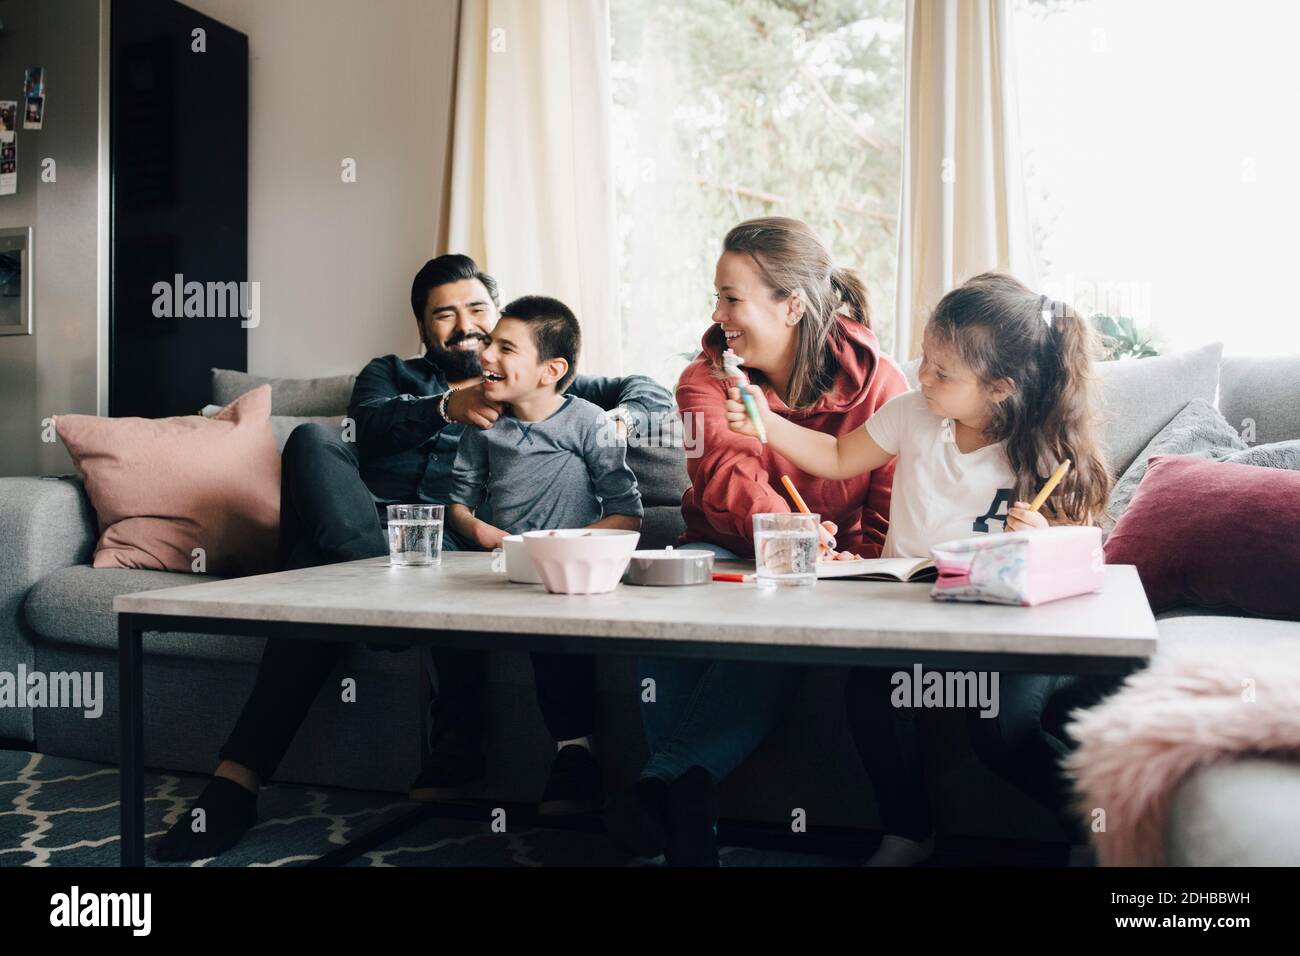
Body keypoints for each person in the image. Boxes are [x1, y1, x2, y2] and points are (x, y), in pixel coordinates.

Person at [154, 255, 672, 861]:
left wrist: (619, 421)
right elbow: (362, 429)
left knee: (317, 586)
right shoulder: (392, 373)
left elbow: (650, 390)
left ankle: (235, 779)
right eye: (443, 314)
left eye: (478, 309)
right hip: (363, 530)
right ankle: (371, 589)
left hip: (452, 546)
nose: (464, 325)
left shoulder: (533, 383)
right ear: (424, 329)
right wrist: (445, 409)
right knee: (311, 443)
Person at [726, 271, 1113, 865]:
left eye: (942, 372)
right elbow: (836, 456)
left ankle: (1100, 829)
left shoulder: (1044, 452)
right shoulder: (912, 412)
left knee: (1000, 730)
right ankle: (908, 831)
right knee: (871, 696)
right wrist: (765, 423)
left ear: (1001, 388)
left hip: (1004, 626)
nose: (921, 377)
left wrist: (1045, 539)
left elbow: (1084, 554)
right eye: (924, 361)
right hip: (913, 609)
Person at [603, 217, 909, 866]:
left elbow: (889, 505)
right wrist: (792, 535)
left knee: (780, 611)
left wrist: (870, 570)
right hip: (718, 547)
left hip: (833, 570)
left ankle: (663, 792)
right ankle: (681, 798)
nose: (717, 314)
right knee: (666, 605)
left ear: (791, 305)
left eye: (731, 297)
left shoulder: (882, 383)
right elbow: (725, 480)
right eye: (716, 295)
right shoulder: (700, 380)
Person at [446, 295, 643, 814]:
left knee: (550, 628)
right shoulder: (485, 423)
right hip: (505, 562)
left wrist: (566, 548)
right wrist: (482, 532)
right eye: (490, 343)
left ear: (550, 370)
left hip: (568, 571)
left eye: (504, 347)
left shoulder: (589, 421)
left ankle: (574, 758)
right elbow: (459, 503)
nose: (486, 354)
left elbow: (627, 512)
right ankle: (452, 755)